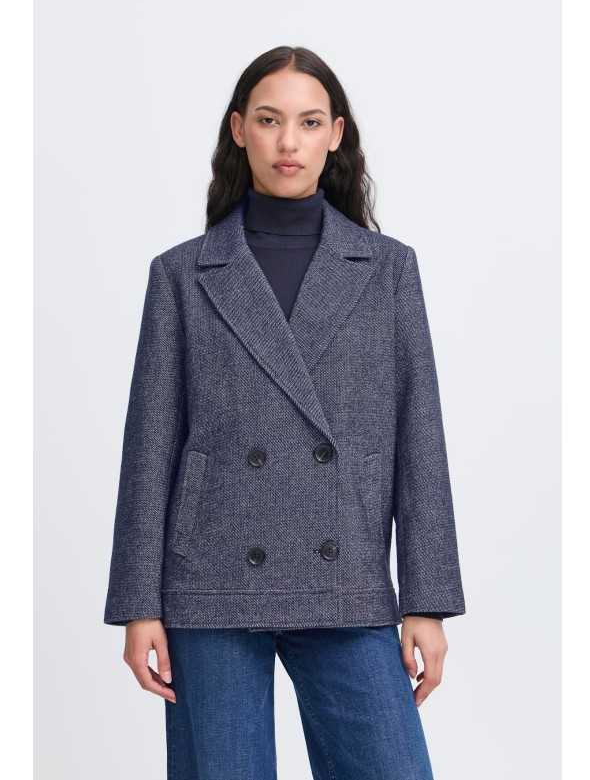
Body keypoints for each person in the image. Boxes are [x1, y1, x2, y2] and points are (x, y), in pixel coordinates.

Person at [104, 45, 466, 779]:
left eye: (308, 122)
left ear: (336, 134)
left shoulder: (388, 269)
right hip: (210, 580)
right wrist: (139, 604)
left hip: (347, 575)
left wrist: (426, 602)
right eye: (269, 120)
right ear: (239, 129)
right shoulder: (181, 274)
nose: (288, 142)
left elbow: (418, 439)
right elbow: (150, 447)